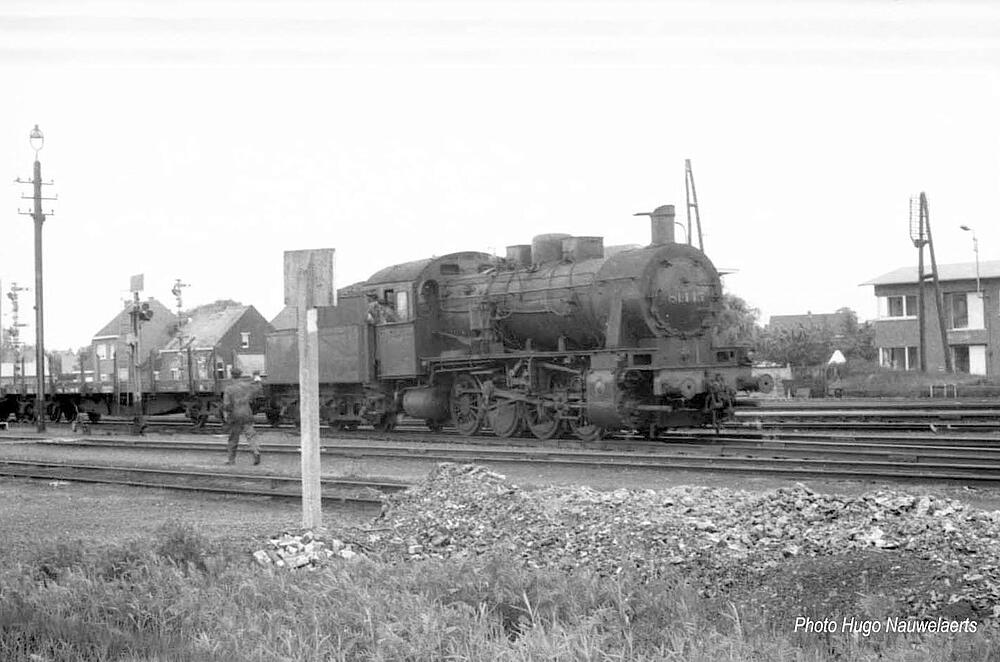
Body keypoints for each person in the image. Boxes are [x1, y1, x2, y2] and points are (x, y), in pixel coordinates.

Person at [222, 367, 262, 465]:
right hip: (247, 413)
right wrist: (257, 376)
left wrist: (226, 415)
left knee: (233, 438)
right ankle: (256, 451)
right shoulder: (247, 385)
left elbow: (226, 404)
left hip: (235, 415)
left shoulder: (229, 388)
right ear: (240, 375)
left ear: (231, 375)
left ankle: (231, 460)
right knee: (251, 435)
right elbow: (258, 388)